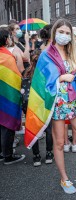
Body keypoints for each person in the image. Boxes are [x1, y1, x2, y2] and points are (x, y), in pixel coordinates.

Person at [25, 19, 76, 194]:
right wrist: (60, 79)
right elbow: (39, 82)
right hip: (56, 102)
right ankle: (64, 178)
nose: (64, 35)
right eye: (61, 32)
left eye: (68, 33)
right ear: (55, 33)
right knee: (60, 142)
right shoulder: (46, 54)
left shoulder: (72, 52)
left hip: (73, 100)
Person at [0, 27, 26, 165]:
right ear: (5, 40)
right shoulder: (8, 58)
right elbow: (16, 78)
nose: (10, 39)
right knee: (7, 125)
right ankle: (8, 156)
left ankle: (1, 153)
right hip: (8, 96)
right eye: (9, 37)